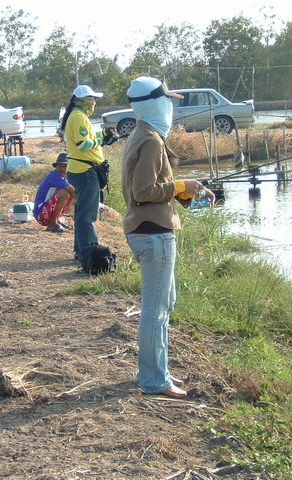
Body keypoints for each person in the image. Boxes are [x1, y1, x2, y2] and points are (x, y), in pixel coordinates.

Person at [121, 76, 215, 399]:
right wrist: (178, 186)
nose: (171, 106)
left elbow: (154, 189)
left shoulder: (144, 134)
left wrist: (190, 192)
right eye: (167, 100)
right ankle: (153, 381)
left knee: (164, 303)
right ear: (155, 104)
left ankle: (156, 370)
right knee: (155, 310)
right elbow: (143, 191)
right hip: (153, 235)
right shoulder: (150, 140)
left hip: (150, 230)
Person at [60, 85, 118, 259]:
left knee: (82, 213)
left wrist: (103, 134)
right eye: (92, 98)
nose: (94, 102)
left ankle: (81, 251)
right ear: (82, 100)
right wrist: (104, 140)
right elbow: (82, 144)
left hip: (83, 169)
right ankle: (89, 253)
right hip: (85, 170)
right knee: (88, 215)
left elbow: (89, 137)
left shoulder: (79, 116)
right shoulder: (78, 117)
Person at [33, 153, 76, 233]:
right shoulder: (53, 176)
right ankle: (52, 223)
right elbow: (72, 190)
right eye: (60, 166)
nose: (62, 169)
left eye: (65, 166)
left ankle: (57, 219)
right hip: (41, 214)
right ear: (56, 167)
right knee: (65, 193)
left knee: (71, 195)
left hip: (47, 212)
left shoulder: (65, 178)